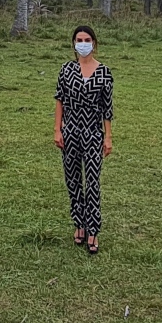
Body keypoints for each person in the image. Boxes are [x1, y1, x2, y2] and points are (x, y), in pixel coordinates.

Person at [53, 25, 114, 254]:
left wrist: (107, 137)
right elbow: (60, 100)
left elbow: (107, 108)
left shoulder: (104, 72)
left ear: (94, 43)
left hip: (93, 132)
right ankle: (79, 223)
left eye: (87, 39)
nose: (83, 43)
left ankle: (93, 230)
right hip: (70, 131)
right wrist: (57, 130)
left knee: (92, 181)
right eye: (79, 39)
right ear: (74, 43)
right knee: (73, 180)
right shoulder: (67, 69)